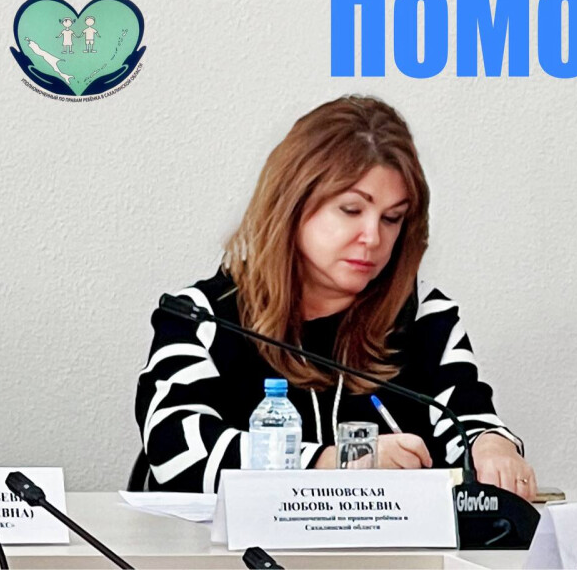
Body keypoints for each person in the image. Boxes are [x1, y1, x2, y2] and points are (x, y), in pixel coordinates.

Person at [135, 96, 537, 499]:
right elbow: (176, 453)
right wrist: (333, 462)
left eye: (392, 218)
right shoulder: (200, 315)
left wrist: (492, 446)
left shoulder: (425, 317)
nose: (373, 237)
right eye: (351, 210)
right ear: (293, 203)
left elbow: (469, 419)